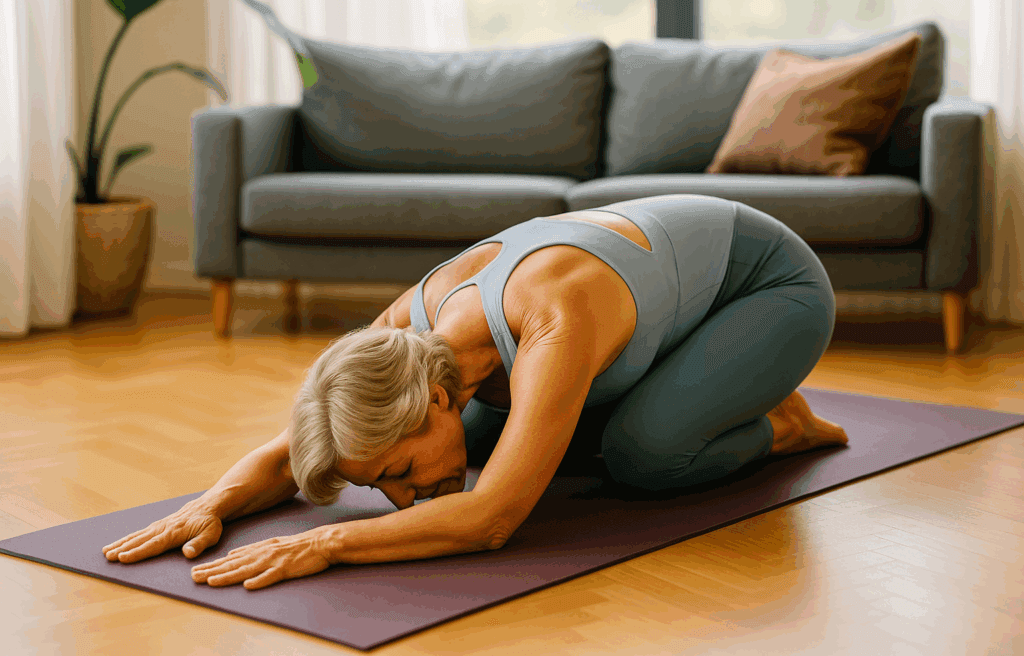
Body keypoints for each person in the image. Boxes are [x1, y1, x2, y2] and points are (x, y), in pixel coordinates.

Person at [102, 194, 848, 591]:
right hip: (653, 321)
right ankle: (678, 391)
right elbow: (296, 451)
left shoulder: (550, 317)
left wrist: (327, 540)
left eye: (396, 473)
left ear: (434, 399)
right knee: (508, 437)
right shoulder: (398, 339)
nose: (403, 499)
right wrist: (213, 503)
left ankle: (782, 423)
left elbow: (493, 519)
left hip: (767, 289)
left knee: (643, 456)